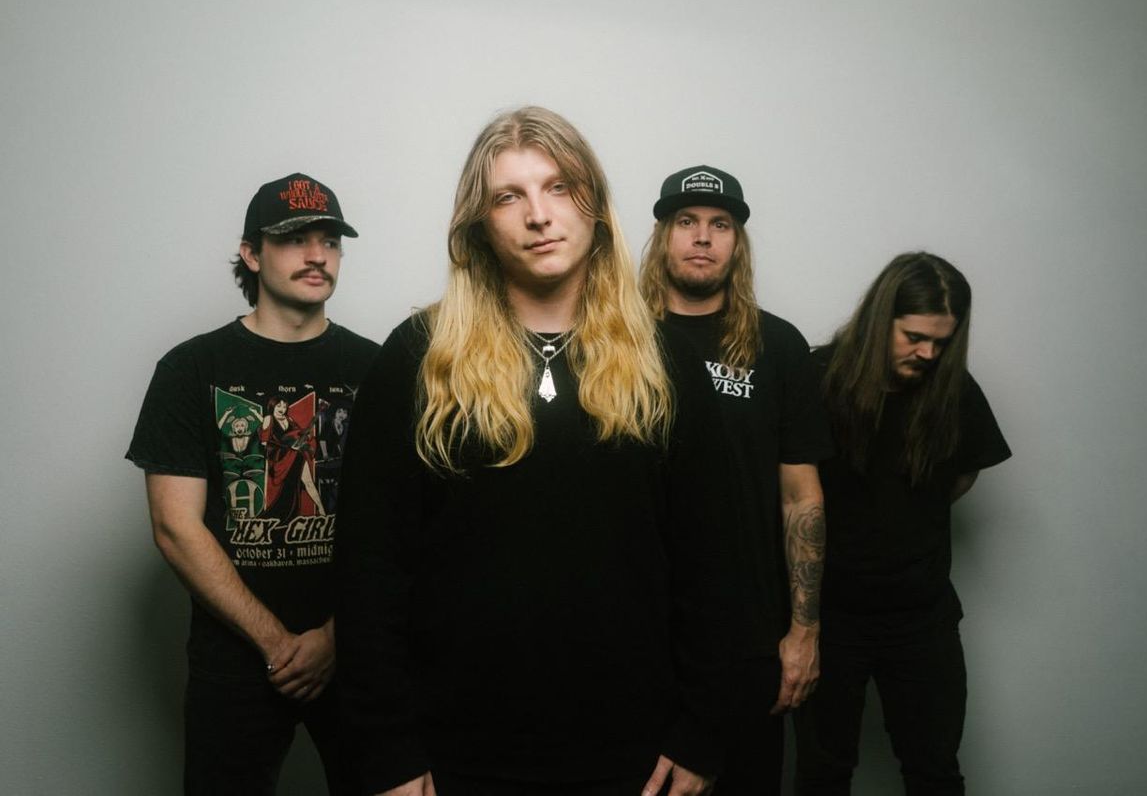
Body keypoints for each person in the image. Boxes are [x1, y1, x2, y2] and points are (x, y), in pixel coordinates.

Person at [334, 107, 735, 796]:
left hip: (633, 755)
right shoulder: (417, 358)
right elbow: (370, 569)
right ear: (479, 225)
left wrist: (702, 733)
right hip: (457, 753)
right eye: (508, 196)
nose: (539, 215)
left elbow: (713, 563)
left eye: (558, 187)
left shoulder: (666, 363)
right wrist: (388, 749)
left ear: (594, 206)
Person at [126, 173, 379, 794]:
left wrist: (334, 638)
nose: (317, 255)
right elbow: (175, 527)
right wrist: (276, 643)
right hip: (235, 658)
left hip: (358, 650)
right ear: (251, 253)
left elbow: (406, 525)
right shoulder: (191, 368)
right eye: (294, 239)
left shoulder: (379, 368)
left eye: (330, 241)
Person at [639, 165, 833, 793]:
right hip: (640, 636)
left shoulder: (777, 346)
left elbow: (801, 497)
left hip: (750, 638)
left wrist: (803, 632)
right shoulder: (619, 341)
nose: (703, 237)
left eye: (720, 224)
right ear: (662, 237)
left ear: (737, 243)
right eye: (686, 222)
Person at [793, 252, 1012, 795]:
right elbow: (789, 489)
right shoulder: (817, 379)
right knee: (822, 775)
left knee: (934, 771)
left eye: (941, 342)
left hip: (921, 618)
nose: (928, 353)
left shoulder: (953, 390)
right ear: (880, 319)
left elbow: (963, 475)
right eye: (914, 337)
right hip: (829, 619)